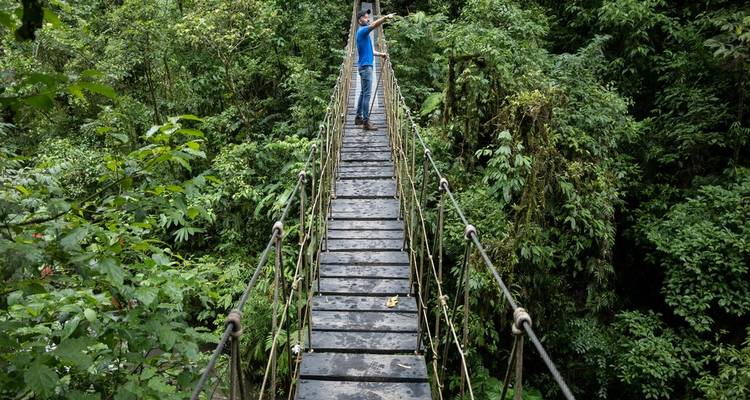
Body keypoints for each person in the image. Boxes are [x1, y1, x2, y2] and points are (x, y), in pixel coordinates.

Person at [354, 9, 395, 130]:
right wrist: (385, 18)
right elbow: (373, 25)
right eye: (366, 17)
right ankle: (366, 122)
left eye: (368, 17)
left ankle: (358, 118)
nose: (368, 19)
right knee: (367, 95)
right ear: (360, 20)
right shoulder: (362, 31)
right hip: (366, 68)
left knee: (363, 93)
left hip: (363, 66)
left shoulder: (363, 35)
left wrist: (381, 54)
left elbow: (370, 51)